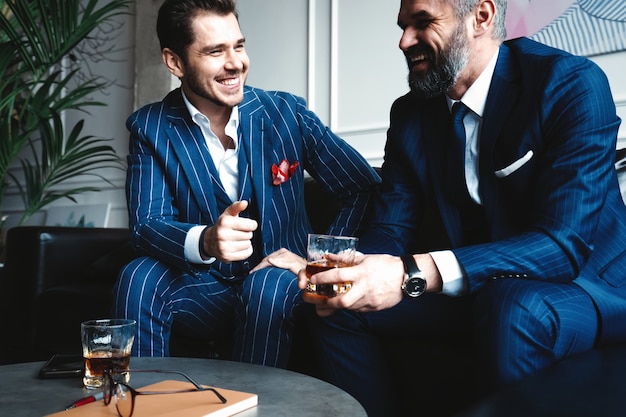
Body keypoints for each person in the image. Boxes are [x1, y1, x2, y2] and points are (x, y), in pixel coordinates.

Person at [299, 0, 626, 415]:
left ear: (482, 17)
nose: (404, 41)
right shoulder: (410, 113)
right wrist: (353, 270)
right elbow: (391, 227)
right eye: (403, 27)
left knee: (512, 306)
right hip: (478, 288)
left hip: (587, 286)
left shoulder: (569, 84)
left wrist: (409, 272)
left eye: (423, 23)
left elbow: (563, 244)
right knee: (340, 307)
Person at [112, 0, 380, 369]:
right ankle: (142, 403)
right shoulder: (151, 128)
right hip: (206, 289)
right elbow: (147, 226)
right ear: (175, 62)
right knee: (138, 275)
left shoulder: (287, 114)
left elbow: (362, 187)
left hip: (282, 285)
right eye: (214, 51)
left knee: (266, 285)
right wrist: (206, 240)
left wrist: (317, 264)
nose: (236, 62)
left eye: (238, 45)